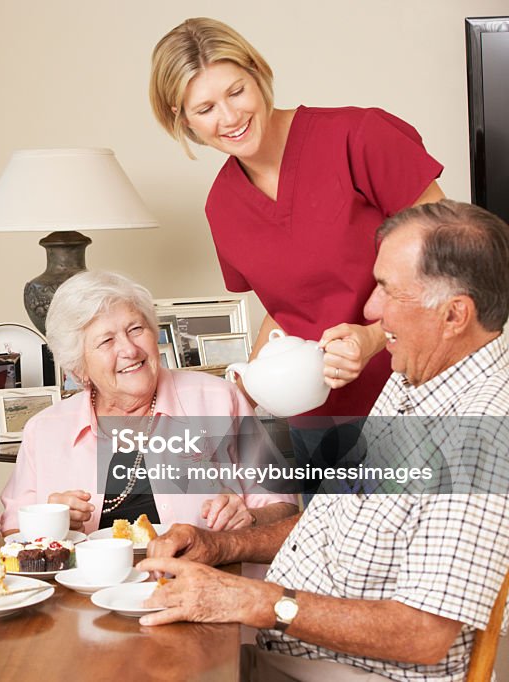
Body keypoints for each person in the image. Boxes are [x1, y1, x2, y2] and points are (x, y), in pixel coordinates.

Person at [139, 200, 509, 681]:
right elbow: (329, 524)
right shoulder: (414, 375)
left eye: (388, 291)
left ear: (454, 315)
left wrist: (252, 600)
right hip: (288, 653)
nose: (371, 310)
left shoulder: (483, 430)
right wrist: (220, 545)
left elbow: (423, 634)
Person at [148, 18, 446, 486]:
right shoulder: (222, 206)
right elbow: (286, 314)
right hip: (322, 425)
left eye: (236, 91)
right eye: (204, 107)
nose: (228, 117)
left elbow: (451, 256)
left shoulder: (358, 136)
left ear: (258, 72)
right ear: (182, 118)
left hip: (423, 398)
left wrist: (373, 337)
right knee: (330, 557)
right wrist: (240, 395)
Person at [0, 270, 298, 536]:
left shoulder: (219, 399)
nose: (129, 349)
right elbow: (12, 529)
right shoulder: (45, 430)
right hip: (86, 593)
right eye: (106, 342)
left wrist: (249, 518)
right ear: (79, 369)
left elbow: (282, 508)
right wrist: (52, 522)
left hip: (201, 582)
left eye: (136, 329)